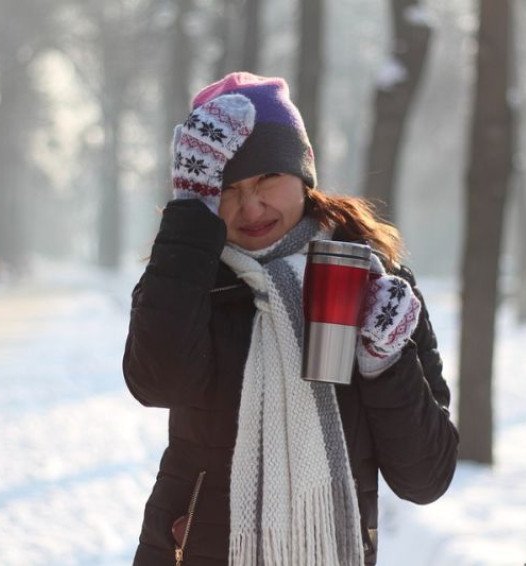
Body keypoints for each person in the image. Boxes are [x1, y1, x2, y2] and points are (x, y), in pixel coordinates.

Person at [123, 71, 458, 566]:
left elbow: (426, 477)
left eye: (267, 178)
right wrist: (191, 214)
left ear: (302, 173)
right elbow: (157, 383)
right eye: (227, 188)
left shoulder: (374, 280)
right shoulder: (188, 275)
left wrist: (385, 362)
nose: (250, 205)